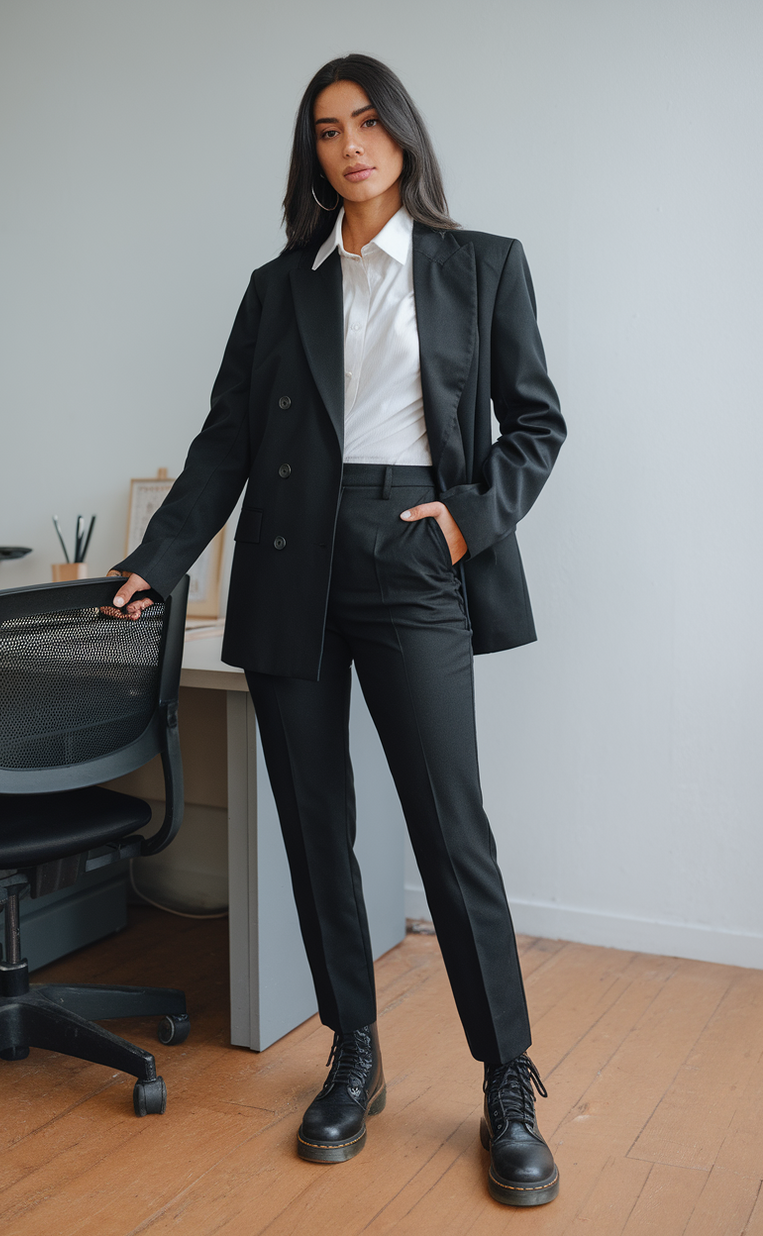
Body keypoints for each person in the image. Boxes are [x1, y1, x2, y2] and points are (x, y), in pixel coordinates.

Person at [109, 53, 566, 1207]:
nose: (348, 144)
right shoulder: (280, 286)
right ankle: (351, 1055)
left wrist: (462, 528)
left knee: (449, 830)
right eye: (325, 130)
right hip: (284, 562)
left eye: (366, 122)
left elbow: (535, 425)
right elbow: (223, 442)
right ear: (309, 154)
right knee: (316, 830)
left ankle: (505, 1077)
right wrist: (155, 564)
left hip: (411, 553)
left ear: (401, 134)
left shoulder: (480, 266)